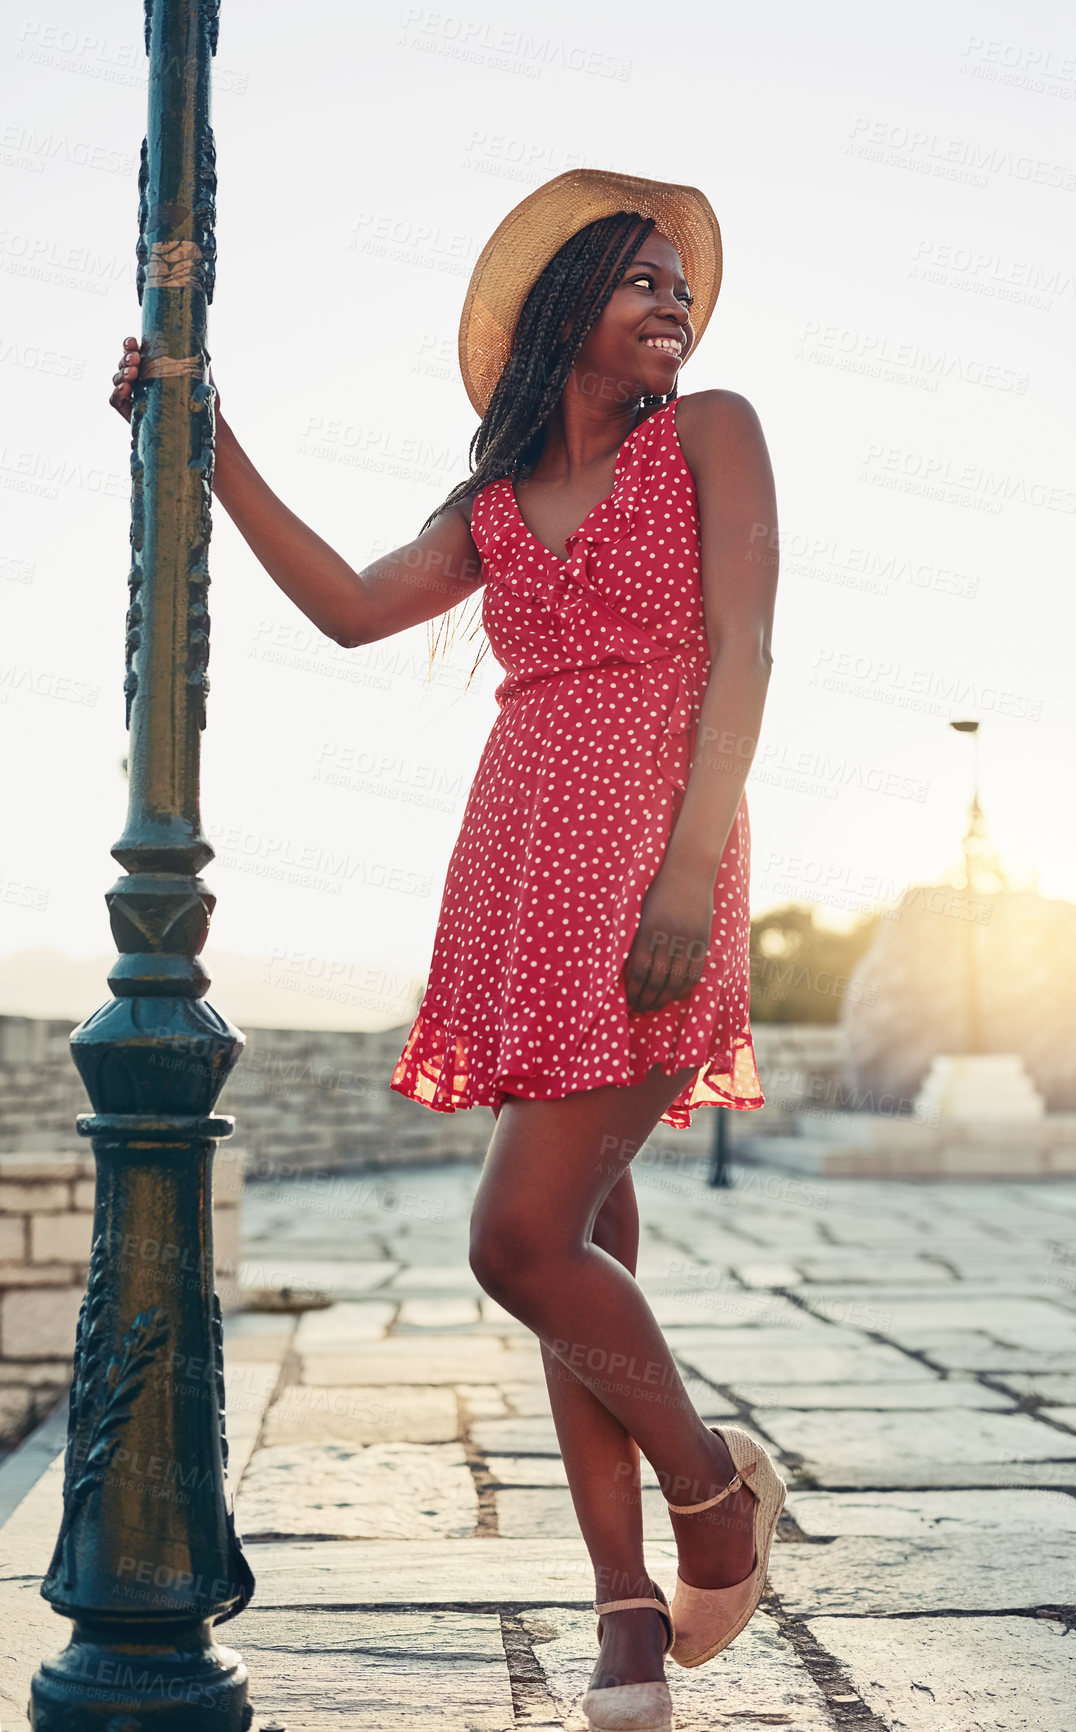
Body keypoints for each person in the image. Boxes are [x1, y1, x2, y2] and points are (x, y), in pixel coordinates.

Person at [111, 167, 785, 1732]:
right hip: (517, 873)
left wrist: (687, 876)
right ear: (561, 315)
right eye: (638, 283)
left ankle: (708, 1501)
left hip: (651, 863)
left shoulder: (711, 432)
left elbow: (745, 644)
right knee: (582, 1257)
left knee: (517, 1243)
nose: (672, 305)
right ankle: (622, 1615)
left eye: (678, 286)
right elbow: (349, 605)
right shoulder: (483, 506)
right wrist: (206, 447)